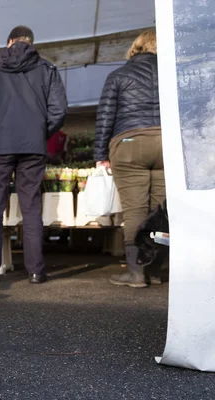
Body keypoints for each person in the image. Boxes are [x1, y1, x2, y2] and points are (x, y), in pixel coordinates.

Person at [0, 26, 67, 284]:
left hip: (0, 145)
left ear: (10, 41)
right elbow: (58, 112)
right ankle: (35, 271)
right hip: (33, 147)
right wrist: (38, 132)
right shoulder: (47, 69)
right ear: (32, 43)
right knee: (31, 207)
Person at [93, 30, 163, 288]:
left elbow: (105, 118)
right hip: (166, 145)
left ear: (137, 47)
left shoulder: (119, 75)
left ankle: (136, 273)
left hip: (130, 144)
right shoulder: (172, 74)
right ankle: (155, 270)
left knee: (135, 211)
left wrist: (101, 154)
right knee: (160, 212)